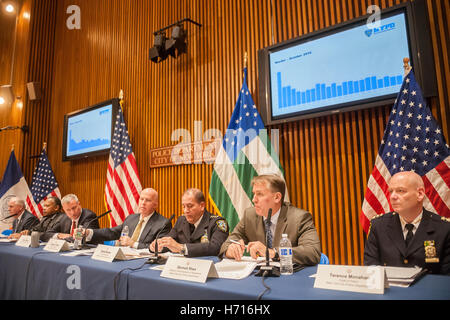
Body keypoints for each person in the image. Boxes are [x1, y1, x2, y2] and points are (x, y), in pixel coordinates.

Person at [219, 174, 321, 265]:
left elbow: (313, 252)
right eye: (254, 194)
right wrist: (230, 250)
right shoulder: (249, 215)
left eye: (259, 194)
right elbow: (226, 245)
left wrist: (273, 253)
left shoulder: (299, 218)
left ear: (277, 197)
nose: (254, 199)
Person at [364, 171, 450, 274]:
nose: (392, 196)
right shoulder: (378, 226)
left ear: (420, 194)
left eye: (400, 191)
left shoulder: (444, 228)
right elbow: (371, 271)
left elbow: (446, 279)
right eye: (391, 191)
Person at [149, 188, 229, 257]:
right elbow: (171, 242)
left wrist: (182, 248)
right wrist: (159, 246)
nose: (186, 211)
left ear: (202, 206)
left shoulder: (217, 222)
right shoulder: (181, 220)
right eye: (183, 206)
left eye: (190, 206)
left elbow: (216, 247)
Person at [85, 188, 171, 249]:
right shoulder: (131, 218)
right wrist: (89, 232)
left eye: (148, 200)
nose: (143, 203)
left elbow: (161, 247)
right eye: (141, 199)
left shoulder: (163, 223)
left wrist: (134, 244)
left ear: (155, 205)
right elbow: (112, 232)